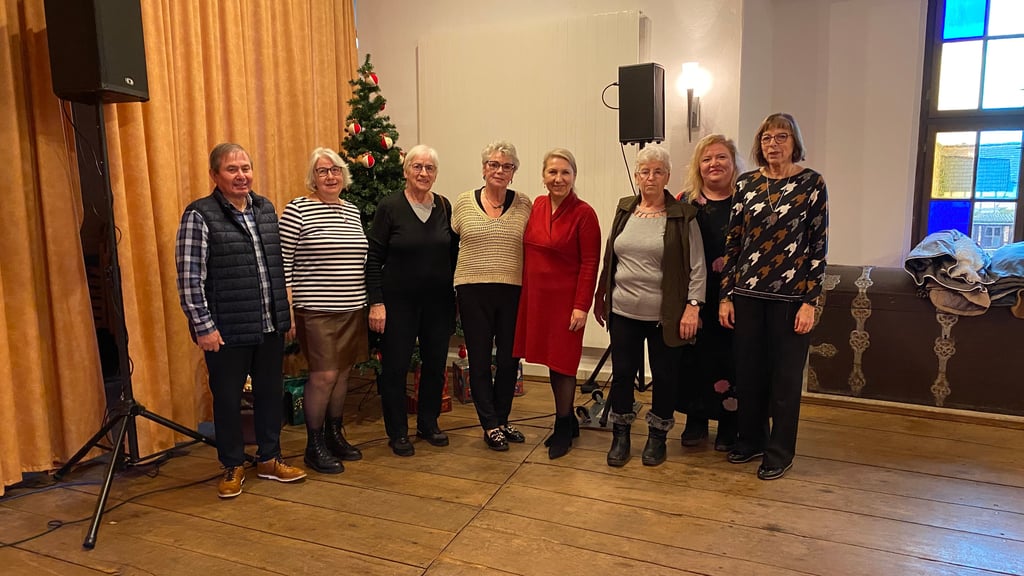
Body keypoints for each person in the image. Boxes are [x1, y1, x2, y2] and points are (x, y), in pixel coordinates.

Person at [176, 142, 306, 499]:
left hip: (268, 325)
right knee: (228, 399)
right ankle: (232, 465)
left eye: (245, 168)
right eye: (232, 169)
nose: (241, 175)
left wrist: (285, 313)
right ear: (215, 175)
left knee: (268, 394)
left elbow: (276, 269)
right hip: (226, 329)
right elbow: (189, 277)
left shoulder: (265, 209)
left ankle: (269, 458)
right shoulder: (199, 215)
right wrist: (203, 326)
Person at [719, 113, 829, 481]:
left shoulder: (812, 184)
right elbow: (733, 243)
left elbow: (817, 247)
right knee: (748, 374)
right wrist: (726, 296)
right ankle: (750, 440)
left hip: (790, 299)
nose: (773, 144)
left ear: (794, 141)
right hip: (746, 294)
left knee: (784, 379)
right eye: (766, 137)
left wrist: (809, 301)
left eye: (782, 136)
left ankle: (779, 452)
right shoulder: (747, 184)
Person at [594, 145, 706, 467]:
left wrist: (693, 307)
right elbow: (610, 257)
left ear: (667, 176)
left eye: (658, 172)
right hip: (623, 311)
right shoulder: (625, 209)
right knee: (623, 373)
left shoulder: (682, 216)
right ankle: (621, 434)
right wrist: (602, 295)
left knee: (665, 375)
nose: (651, 177)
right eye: (645, 171)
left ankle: (658, 437)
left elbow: (697, 267)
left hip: (665, 315)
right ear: (637, 176)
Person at [279, 148, 367, 474]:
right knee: (324, 374)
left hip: (352, 306)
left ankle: (334, 434)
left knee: (343, 372)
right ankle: (313, 445)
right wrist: (286, 308)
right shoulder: (298, 210)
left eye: (335, 170)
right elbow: (283, 264)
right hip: (315, 310)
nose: (330, 176)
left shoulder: (352, 211)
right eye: (322, 171)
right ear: (312, 178)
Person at [366, 145, 457, 457]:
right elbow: (373, 258)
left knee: (434, 366)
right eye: (417, 167)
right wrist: (376, 303)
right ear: (405, 171)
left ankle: (428, 424)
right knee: (395, 368)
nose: (423, 173)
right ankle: (398, 432)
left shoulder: (444, 206)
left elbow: (454, 255)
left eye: (429, 168)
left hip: (438, 304)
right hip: (398, 304)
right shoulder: (389, 207)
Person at [513, 148, 601, 459]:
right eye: (552, 172)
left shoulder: (584, 213)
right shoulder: (534, 205)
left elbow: (591, 263)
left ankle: (564, 423)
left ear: (574, 176)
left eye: (565, 172)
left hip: (566, 302)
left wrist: (581, 306)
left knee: (564, 364)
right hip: (537, 298)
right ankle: (565, 419)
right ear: (543, 176)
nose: (558, 178)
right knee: (551, 361)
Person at [452, 140, 532, 451]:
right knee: (480, 359)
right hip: (472, 290)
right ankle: (489, 424)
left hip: (512, 290)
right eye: (494, 164)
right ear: (484, 168)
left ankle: (502, 418)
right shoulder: (462, 203)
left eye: (507, 166)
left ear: (514, 172)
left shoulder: (525, 203)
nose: (499, 170)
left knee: (511, 359)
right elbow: (451, 245)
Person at [676, 135, 741, 452]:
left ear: (733, 163)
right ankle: (695, 420)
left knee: (732, 359)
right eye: (706, 159)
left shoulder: (747, 201)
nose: (714, 164)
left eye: (721, 157)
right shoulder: (685, 203)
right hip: (695, 296)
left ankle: (730, 423)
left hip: (735, 297)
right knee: (694, 359)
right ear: (698, 166)